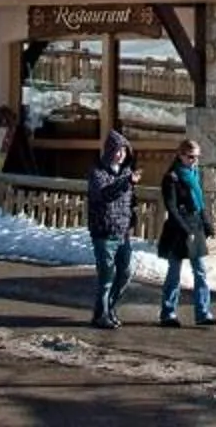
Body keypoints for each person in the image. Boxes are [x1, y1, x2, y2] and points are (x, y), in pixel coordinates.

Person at [155, 138, 216, 327]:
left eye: (197, 157)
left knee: (200, 272)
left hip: (195, 225)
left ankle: (203, 312)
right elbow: (171, 208)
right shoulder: (171, 177)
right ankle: (168, 313)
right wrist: (185, 229)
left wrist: (206, 224)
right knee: (174, 273)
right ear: (180, 155)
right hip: (177, 229)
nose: (194, 161)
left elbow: (199, 203)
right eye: (190, 157)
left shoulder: (194, 173)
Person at [84, 128, 140, 329]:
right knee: (106, 276)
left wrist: (132, 219)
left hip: (122, 232)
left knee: (125, 273)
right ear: (109, 151)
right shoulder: (97, 173)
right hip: (104, 232)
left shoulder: (126, 172)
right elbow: (105, 194)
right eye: (117, 150)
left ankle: (110, 307)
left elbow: (130, 201)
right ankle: (100, 315)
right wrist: (126, 183)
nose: (120, 155)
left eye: (124, 151)